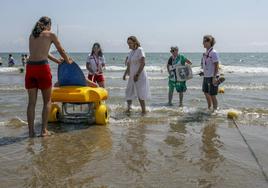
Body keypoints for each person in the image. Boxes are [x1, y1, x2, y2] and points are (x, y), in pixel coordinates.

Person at [26, 16, 72, 137]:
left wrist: (57, 61)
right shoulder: (50, 34)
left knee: (31, 103)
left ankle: (31, 132)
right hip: (42, 68)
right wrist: (67, 61)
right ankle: (43, 131)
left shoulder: (32, 35)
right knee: (47, 101)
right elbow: (61, 49)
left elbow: (44, 52)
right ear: (48, 25)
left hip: (30, 68)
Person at [123, 36, 150, 114]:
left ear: (135, 42)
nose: (129, 45)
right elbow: (129, 65)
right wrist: (125, 74)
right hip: (132, 76)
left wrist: (137, 74)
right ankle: (129, 109)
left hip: (140, 75)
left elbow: (143, 63)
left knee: (140, 94)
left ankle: (143, 111)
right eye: (128, 43)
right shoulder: (131, 52)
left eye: (130, 43)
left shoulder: (140, 50)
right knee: (128, 92)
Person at [201, 35, 220, 111]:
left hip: (212, 76)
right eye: (203, 41)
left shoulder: (213, 52)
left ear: (209, 42)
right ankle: (209, 108)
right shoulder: (206, 53)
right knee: (206, 92)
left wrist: (214, 77)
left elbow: (217, 65)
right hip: (206, 76)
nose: (203, 43)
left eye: (205, 41)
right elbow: (207, 65)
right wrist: (203, 72)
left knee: (212, 95)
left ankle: (215, 111)